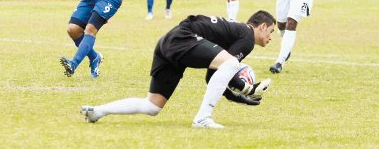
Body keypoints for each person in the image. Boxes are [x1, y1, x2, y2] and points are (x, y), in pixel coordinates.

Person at [80, 10, 276, 128]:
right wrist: (247, 89)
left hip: (168, 41)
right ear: (262, 26)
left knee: (152, 106)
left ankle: (98, 111)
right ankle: (202, 119)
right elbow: (228, 67)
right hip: (184, 37)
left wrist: (238, 95)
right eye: (271, 32)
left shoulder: (238, 32)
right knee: (232, 63)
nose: (271, 37)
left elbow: (214, 76)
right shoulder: (247, 37)